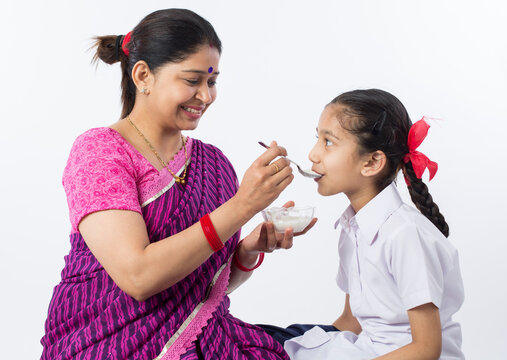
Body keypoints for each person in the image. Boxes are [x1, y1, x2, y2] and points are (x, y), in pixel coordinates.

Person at [40, 9, 315, 360]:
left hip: (209, 339)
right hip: (104, 344)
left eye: (212, 82)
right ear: (143, 75)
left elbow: (197, 291)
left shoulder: (213, 164)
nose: (206, 96)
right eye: (192, 80)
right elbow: (138, 277)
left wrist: (247, 251)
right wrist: (242, 206)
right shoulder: (99, 152)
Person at [281, 89, 464, 359]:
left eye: (328, 142)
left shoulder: (404, 234)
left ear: (372, 162)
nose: (313, 154)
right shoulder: (351, 228)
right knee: (265, 342)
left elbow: (427, 349)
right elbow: (352, 322)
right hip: (368, 350)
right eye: (316, 138)